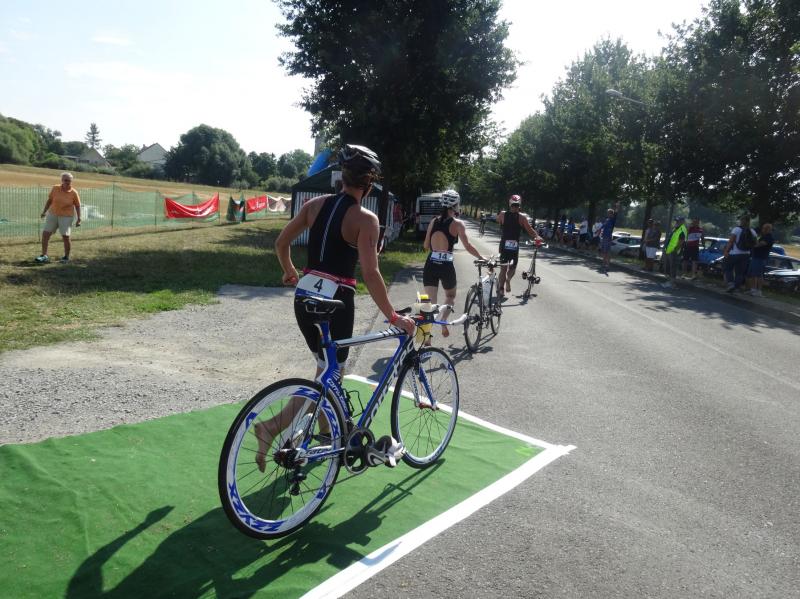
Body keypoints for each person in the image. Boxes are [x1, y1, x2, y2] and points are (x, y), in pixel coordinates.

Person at [257, 144, 416, 472]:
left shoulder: (313, 205)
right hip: (336, 301)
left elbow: (281, 242)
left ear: (342, 177)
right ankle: (272, 427)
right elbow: (371, 273)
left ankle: (328, 433)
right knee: (330, 374)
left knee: (324, 367)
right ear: (369, 183)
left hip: (304, 296)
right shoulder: (366, 219)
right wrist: (393, 316)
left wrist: (289, 271)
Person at [423, 190, 485, 339]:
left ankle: (427, 338)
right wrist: (480, 257)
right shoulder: (457, 224)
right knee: (450, 296)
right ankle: (444, 320)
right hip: (446, 265)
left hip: (431, 264)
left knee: (430, 303)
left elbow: (425, 245)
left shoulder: (434, 221)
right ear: (456, 205)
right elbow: (468, 246)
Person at [496, 194, 544, 299]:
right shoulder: (522, 217)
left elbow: (498, 220)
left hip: (504, 245)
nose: (515, 207)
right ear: (519, 205)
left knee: (503, 269)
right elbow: (530, 230)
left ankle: (501, 289)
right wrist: (537, 237)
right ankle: (508, 279)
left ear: (510, 204)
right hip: (514, 246)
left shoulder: (503, 214)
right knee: (512, 267)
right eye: (516, 205)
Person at [36, 172, 81, 263]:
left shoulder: (74, 193)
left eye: (69, 180)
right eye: (65, 180)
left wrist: (79, 218)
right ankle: (44, 255)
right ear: (62, 180)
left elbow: (77, 205)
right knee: (45, 234)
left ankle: (66, 257)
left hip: (66, 217)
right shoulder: (55, 188)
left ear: (71, 181)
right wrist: (44, 211)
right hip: (53, 214)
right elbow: (50, 200)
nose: (67, 182)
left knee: (65, 236)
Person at [723, 215, 757, 293]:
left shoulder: (736, 229)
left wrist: (726, 251)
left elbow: (731, 241)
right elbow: (755, 243)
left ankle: (731, 284)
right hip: (746, 254)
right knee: (740, 273)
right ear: (749, 221)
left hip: (734, 253)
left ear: (741, 221)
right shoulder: (753, 231)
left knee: (728, 268)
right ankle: (736, 287)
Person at [746, 223, 774, 296]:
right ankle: (756, 290)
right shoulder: (764, 236)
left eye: (764, 228)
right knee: (757, 274)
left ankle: (755, 290)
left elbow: (760, 244)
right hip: (757, 257)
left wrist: (754, 242)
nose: (762, 230)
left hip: (760, 258)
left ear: (768, 229)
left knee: (755, 274)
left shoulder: (769, 237)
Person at [662, 217, 687, 288]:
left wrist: (675, 250)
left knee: (673, 268)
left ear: (682, 222)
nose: (676, 222)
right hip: (670, 251)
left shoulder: (682, 230)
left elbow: (681, 242)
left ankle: (672, 283)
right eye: (676, 221)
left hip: (674, 252)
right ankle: (670, 281)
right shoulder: (676, 228)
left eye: (678, 221)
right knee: (670, 267)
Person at [598, 202, 621, 272]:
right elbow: (603, 226)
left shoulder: (612, 219)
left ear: (611, 214)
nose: (607, 214)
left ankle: (607, 265)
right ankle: (604, 265)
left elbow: (616, 213)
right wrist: (599, 231)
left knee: (607, 252)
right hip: (604, 237)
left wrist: (617, 206)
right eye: (607, 213)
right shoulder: (607, 219)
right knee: (604, 252)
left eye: (608, 213)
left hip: (608, 237)